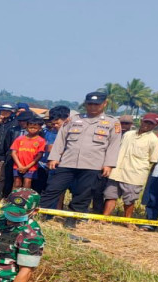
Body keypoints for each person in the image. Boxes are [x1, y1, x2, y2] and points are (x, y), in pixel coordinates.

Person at [40, 91, 122, 230]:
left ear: (104, 104)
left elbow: (114, 145)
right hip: (68, 162)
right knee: (53, 188)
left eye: (96, 104)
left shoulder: (112, 122)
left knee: (83, 194)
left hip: (92, 164)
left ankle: (72, 220)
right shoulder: (73, 119)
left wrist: (108, 164)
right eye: (89, 104)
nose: (92, 107)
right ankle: (40, 215)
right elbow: (61, 139)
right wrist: (54, 157)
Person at [103, 112, 158, 220]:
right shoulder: (127, 135)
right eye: (145, 122)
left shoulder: (154, 141)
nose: (147, 125)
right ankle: (105, 218)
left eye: (150, 123)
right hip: (117, 171)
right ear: (141, 121)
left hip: (134, 174)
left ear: (155, 125)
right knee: (110, 196)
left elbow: (152, 160)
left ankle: (127, 220)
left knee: (130, 199)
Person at [35, 106, 70, 195]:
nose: (55, 126)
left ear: (67, 119)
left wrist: (56, 149)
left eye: (57, 123)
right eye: (53, 124)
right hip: (49, 165)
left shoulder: (73, 132)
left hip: (65, 165)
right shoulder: (50, 131)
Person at [9, 114, 47, 190]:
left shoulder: (41, 141)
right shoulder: (20, 139)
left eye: (35, 128)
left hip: (31, 167)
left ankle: (25, 200)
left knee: (27, 182)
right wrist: (19, 165)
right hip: (18, 165)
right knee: (17, 182)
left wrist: (27, 167)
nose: (32, 129)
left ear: (39, 129)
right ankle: (15, 199)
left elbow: (39, 156)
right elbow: (13, 153)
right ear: (26, 128)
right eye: (30, 127)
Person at [0, 103, 18, 200]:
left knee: (0, 177)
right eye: (2, 111)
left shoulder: (15, 124)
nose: (4, 113)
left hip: (3, 155)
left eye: (7, 111)